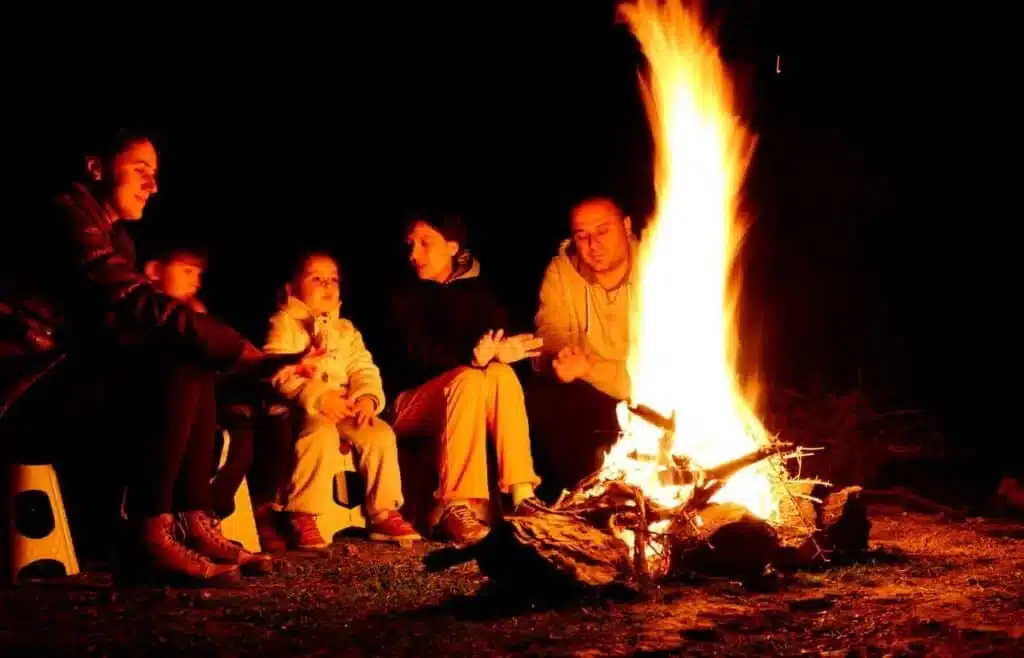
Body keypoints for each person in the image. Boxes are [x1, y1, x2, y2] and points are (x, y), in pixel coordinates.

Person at [0, 128, 297, 586]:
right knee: (178, 352)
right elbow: (128, 300)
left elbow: (129, 328)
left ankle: (190, 520)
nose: (152, 185)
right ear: (96, 168)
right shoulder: (65, 217)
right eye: (140, 170)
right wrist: (231, 345)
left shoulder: (116, 237)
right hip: (22, 390)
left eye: (155, 174)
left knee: (184, 354)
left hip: (63, 385)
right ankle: (148, 533)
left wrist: (218, 350)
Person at [383, 213, 544, 545]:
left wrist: (503, 351)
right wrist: (472, 358)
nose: (414, 253)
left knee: (500, 374)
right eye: (411, 244)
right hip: (408, 403)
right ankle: (456, 506)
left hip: (464, 398)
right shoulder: (403, 293)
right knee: (469, 379)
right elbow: (416, 353)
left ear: (453, 247)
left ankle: (523, 494)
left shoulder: (480, 293)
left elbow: (496, 340)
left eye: (425, 243)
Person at [264, 251, 421, 548]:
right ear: (291, 288)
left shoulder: (345, 330)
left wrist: (366, 398)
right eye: (316, 278)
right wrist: (319, 397)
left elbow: (363, 367)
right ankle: (303, 513)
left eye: (333, 279)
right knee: (320, 434)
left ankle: (384, 511)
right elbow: (279, 372)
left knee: (380, 434)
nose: (327, 285)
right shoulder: (284, 323)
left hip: (344, 406)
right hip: (300, 408)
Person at [527, 196, 638, 501]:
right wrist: (562, 360)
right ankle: (578, 500)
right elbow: (550, 332)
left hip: (644, 392)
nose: (593, 244)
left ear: (626, 226)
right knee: (545, 398)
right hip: (591, 393)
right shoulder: (562, 272)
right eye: (582, 235)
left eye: (603, 231)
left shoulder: (656, 264)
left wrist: (591, 367)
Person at [143, 245, 255, 520]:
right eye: (186, 271)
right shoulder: (145, 309)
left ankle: (206, 516)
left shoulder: (194, 315)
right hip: (149, 402)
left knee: (240, 428)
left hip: (199, 404)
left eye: (198, 274)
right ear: (154, 270)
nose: (196, 281)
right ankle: (170, 517)